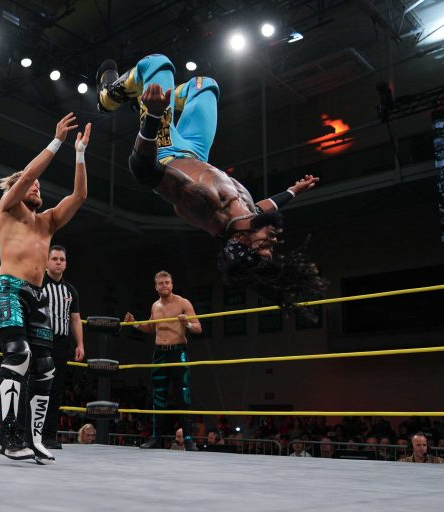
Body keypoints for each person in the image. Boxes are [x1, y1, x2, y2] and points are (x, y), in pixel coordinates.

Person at [97, 55, 325, 307]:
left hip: (165, 150)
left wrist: (152, 116)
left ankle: (109, 96)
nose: (272, 242)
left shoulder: (203, 205)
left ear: (241, 241)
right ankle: (149, 96)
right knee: (205, 86)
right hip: (196, 151)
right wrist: (292, 191)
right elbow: (265, 208)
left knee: (158, 65)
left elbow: (143, 169)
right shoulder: (246, 216)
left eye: (264, 248)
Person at [0, 113, 91, 464]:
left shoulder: (47, 223)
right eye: (32, 186)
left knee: (46, 366)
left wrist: (79, 153)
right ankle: (8, 435)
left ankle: (34, 438)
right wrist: (57, 140)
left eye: (38, 188)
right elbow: (30, 175)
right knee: (18, 354)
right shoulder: (7, 209)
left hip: (37, 295)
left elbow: (79, 195)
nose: (37, 188)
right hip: (8, 288)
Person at [124, 270, 201, 450]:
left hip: (178, 352)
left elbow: (198, 328)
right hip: (159, 353)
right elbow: (151, 327)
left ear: (172, 284)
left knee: (182, 395)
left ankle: (188, 440)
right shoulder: (155, 306)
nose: (164, 285)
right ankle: (155, 438)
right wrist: (134, 323)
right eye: (161, 283)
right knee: (158, 396)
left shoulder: (183, 303)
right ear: (156, 287)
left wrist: (187, 323)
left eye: (167, 282)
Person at [41, 244, 85, 450]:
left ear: (66, 264)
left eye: (62, 259)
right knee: (35, 385)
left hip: (61, 343)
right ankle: (27, 432)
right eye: (55, 259)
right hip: (39, 341)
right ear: (47, 261)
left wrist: (80, 344)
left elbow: (75, 319)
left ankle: (49, 435)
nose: (58, 262)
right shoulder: (37, 283)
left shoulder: (70, 290)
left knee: (56, 389)